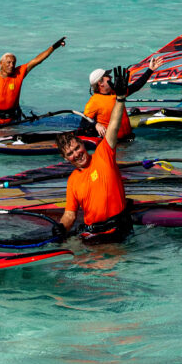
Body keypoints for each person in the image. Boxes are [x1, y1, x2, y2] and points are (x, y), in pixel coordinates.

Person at [55, 66, 133, 242]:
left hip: (118, 231)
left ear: (83, 144)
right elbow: (69, 215)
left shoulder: (103, 154)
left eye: (77, 148)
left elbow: (113, 126)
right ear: (65, 158)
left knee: (103, 266)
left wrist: (120, 99)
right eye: (71, 153)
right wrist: (61, 227)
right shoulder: (73, 181)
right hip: (91, 235)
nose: (77, 154)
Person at [0, 38, 66, 124]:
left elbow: (37, 61)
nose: (12, 65)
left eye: (13, 63)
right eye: (8, 62)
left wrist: (54, 47)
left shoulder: (18, 73)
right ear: (1, 63)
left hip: (13, 121)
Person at [83, 56, 162, 139]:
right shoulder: (94, 102)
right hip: (115, 144)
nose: (111, 77)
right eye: (107, 76)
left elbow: (136, 86)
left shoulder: (116, 92)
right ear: (100, 83)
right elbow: (84, 122)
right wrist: (96, 125)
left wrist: (150, 70)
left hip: (129, 139)